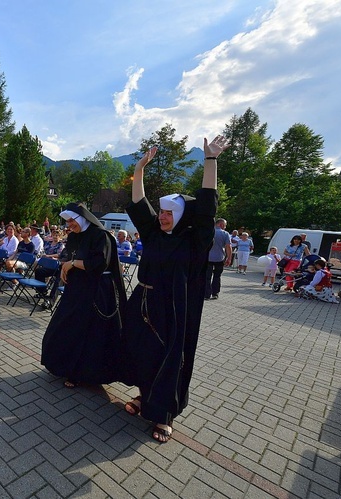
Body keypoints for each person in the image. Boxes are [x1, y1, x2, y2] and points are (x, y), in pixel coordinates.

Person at [119, 136, 229, 444]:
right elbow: (139, 204)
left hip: (171, 309)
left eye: (169, 213)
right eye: (162, 212)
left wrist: (211, 161)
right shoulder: (154, 232)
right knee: (141, 354)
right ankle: (144, 396)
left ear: (180, 215)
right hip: (142, 301)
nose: (163, 217)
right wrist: (139, 168)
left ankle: (164, 415)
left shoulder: (194, 242)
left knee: (168, 359)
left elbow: (207, 207)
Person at [40, 202, 127, 388]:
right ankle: (64, 366)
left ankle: (82, 374)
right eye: (68, 222)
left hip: (97, 291)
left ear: (82, 218)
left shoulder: (101, 236)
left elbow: (99, 263)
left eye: (72, 221)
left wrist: (72, 264)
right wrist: (66, 264)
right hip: (77, 289)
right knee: (67, 327)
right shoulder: (75, 236)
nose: (69, 225)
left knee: (90, 334)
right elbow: (67, 255)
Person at [205, 218, 232, 300]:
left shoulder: (208, 231)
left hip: (208, 258)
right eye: (225, 225)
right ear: (221, 224)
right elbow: (228, 246)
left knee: (207, 277)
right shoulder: (225, 234)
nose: (225, 227)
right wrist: (229, 258)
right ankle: (215, 293)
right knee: (217, 276)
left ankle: (206, 294)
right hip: (219, 258)